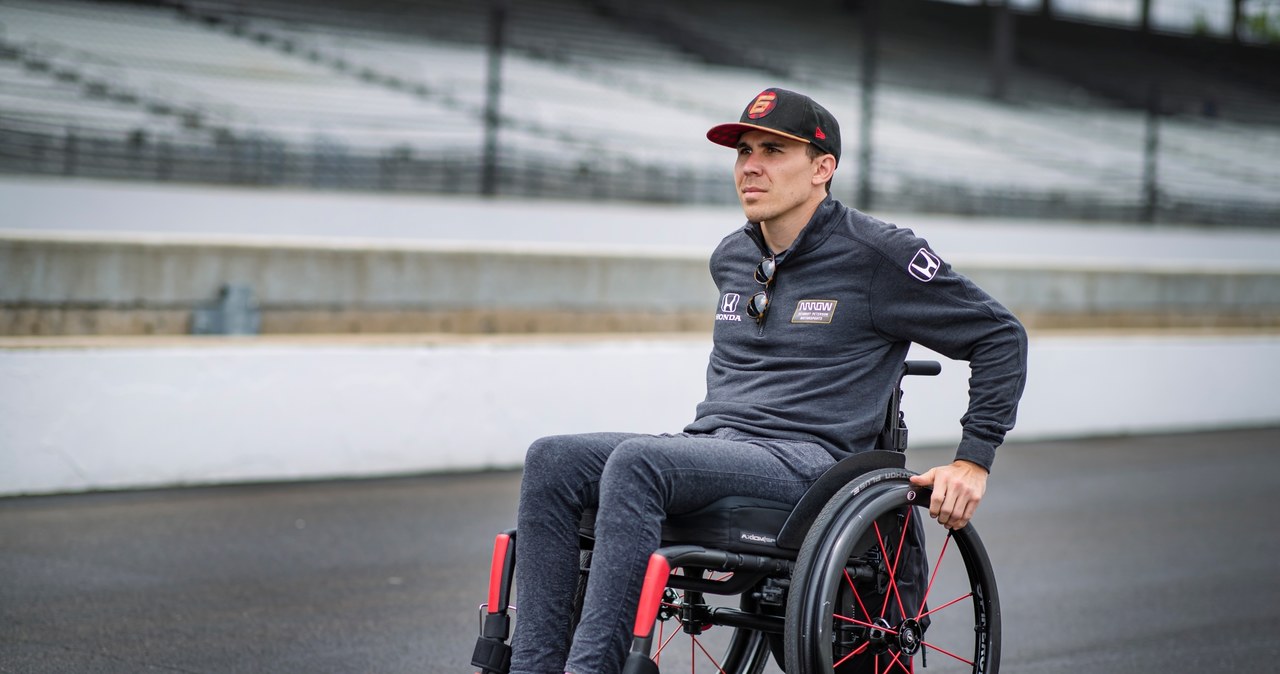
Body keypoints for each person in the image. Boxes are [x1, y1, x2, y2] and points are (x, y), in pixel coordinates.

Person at [506, 87, 1028, 674]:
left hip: (810, 462)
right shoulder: (731, 256)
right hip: (717, 445)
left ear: (822, 169)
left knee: (636, 463)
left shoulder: (879, 256)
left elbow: (1000, 336)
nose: (750, 165)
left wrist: (972, 460)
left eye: (774, 150)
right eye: (743, 150)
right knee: (550, 459)